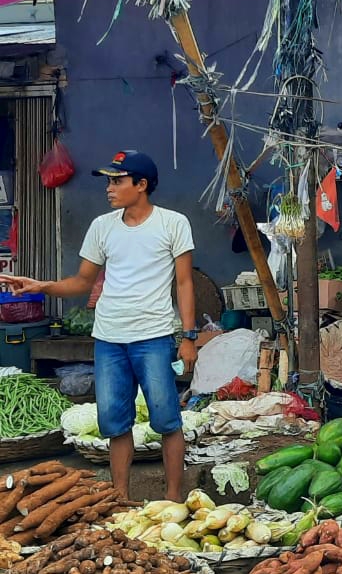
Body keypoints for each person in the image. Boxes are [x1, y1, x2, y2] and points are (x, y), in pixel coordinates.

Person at [0, 151, 196, 500]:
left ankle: (173, 498)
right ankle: (119, 498)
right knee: (115, 424)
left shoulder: (173, 223)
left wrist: (189, 336)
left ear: (141, 184)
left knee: (167, 421)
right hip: (109, 339)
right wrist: (41, 286)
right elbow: (82, 282)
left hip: (154, 336)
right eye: (108, 180)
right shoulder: (101, 227)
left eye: (117, 181)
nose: (109, 188)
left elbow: (184, 283)